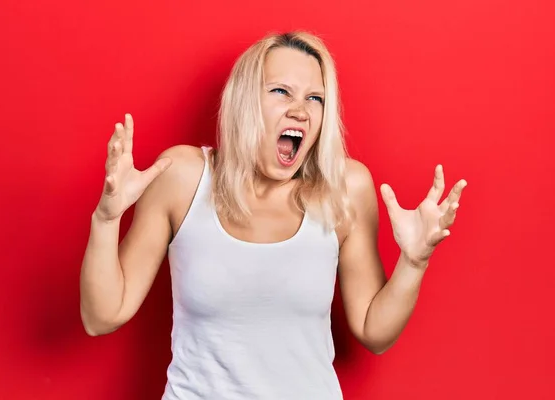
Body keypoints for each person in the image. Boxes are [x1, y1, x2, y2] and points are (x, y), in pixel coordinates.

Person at [79, 31, 467, 399]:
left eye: (315, 98)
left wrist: (414, 262)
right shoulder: (181, 177)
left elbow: (373, 331)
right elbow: (102, 316)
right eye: (281, 92)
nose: (300, 110)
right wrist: (106, 218)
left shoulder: (345, 187)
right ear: (244, 100)